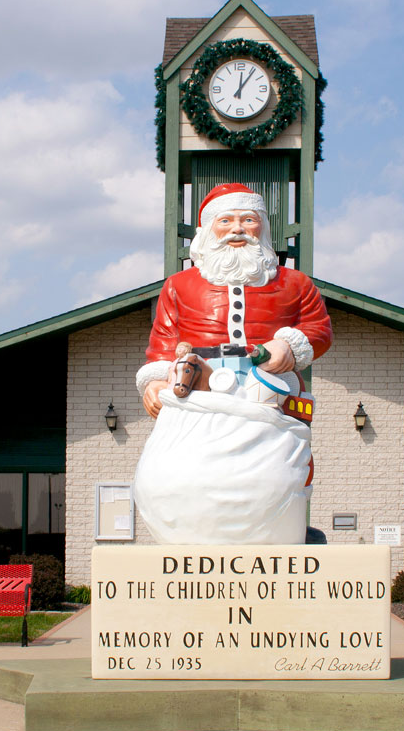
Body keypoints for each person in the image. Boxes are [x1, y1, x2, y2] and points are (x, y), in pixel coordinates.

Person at [133, 183, 333, 545]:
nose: (237, 229)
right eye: (226, 220)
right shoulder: (179, 286)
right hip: (198, 390)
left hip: (269, 392)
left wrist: (290, 345)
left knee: (277, 474)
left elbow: (319, 329)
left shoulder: (296, 284)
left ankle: (283, 532)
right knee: (171, 472)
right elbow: (163, 342)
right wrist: (153, 381)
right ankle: (186, 536)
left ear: (263, 228)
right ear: (209, 231)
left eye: (248, 220)